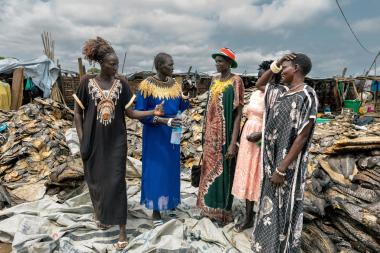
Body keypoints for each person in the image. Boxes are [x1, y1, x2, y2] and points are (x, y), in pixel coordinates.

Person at [73, 37, 163, 250]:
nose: (115, 67)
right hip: (93, 142)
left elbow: (130, 113)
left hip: (116, 142)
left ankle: (122, 230)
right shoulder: (87, 82)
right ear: (101, 63)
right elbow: (77, 113)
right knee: (96, 181)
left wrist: (152, 112)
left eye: (116, 64)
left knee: (116, 183)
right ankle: (102, 215)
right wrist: (82, 138)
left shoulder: (121, 84)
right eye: (111, 64)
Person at [251, 53, 318, 252]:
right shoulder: (280, 91)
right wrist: (277, 62)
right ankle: (266, 245)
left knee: (286, 205)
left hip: (287, 165)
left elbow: (303, 136)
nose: (280, 72)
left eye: (285, 67)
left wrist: (282, 168)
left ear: (296, 68)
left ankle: (282, 248)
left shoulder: (307, 94)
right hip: (271, 162)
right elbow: (259, 84)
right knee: (269, 203)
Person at [135, 52, 189, 227]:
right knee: (156, 170)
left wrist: (187, 94)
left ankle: (169, 202)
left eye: (173, 65)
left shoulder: (175, 84)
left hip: (173, 132)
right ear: (159, 65)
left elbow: (181, 106)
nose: (173, 68)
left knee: (170, 169)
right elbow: (140, 114)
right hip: (156, 134)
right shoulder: (146, 85)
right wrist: (164, 120)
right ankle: (156, 210)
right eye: (169, 65)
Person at [197, 48, 244, 224]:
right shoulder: (213, 80)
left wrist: (233, 143)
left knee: (224, 172)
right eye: (216, 61)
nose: (217, 64)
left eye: (221, 61)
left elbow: (238, 113)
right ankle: (208, 208)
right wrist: (204, 134)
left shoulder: (236, 81)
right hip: (211, 136)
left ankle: (223, 211)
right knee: (208, 170)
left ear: (229, 63)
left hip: (225, 137)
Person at [232, 60, 279, 232]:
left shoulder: (275, 95)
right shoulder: (255, 94)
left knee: (260, 176)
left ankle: (264, 216)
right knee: (248, 177)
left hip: (263, 139)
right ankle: (249, 217)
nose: (260, 82)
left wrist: (262, 134)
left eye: (264, 78)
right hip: (248, 138)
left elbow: (278, 122)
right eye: (259, 78)